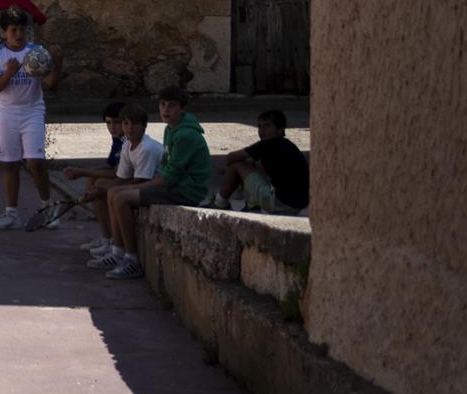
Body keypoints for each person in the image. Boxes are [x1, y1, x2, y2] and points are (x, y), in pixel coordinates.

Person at [99, 87, 210, 280]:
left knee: (122, 197)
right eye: (162, 104)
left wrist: (137, 187)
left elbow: (170, 177)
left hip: (186, 191)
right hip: (173, 185)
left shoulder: (185, 135)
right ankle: (117, 251)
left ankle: (131, 260)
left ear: (182, 108)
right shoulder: (171, 129)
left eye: (172, 105)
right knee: (113, 192)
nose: (166, 109)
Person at [0, 8, 60, 230]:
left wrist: (58, 61)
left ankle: (47, 208)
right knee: (9, 163)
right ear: (4, 32)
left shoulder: (36, 52)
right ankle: (11, 213)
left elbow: (50, 83)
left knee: (35, 162)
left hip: (32, 110)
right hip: (7, 112)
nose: (18, 34)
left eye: (22, 29)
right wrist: (10, 72)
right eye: (13, 30)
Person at [81, 104, 164, 267]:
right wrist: (98, 190)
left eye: (135, 124)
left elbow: (140, 182)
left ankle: (128, 256)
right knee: (104, 188)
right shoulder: (127, 144)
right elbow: (121, 177)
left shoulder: (146, 148)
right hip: (142, 182)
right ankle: (114, 248)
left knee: (115, 194)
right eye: (126, 123)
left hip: (155, 186)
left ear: (144, 126)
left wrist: (105, 189)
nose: (130, 128)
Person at [209, 109, 309, 213]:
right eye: (260, 126)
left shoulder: (268, 145)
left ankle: (220, 203)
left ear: (280, 129)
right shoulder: (287, 145)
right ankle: (253, 204)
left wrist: (227, 168)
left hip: (279, 203)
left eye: (267, 126)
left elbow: (231, 157)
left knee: (237, 164)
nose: (262, 130)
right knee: (254, 164)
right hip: (296, 206)